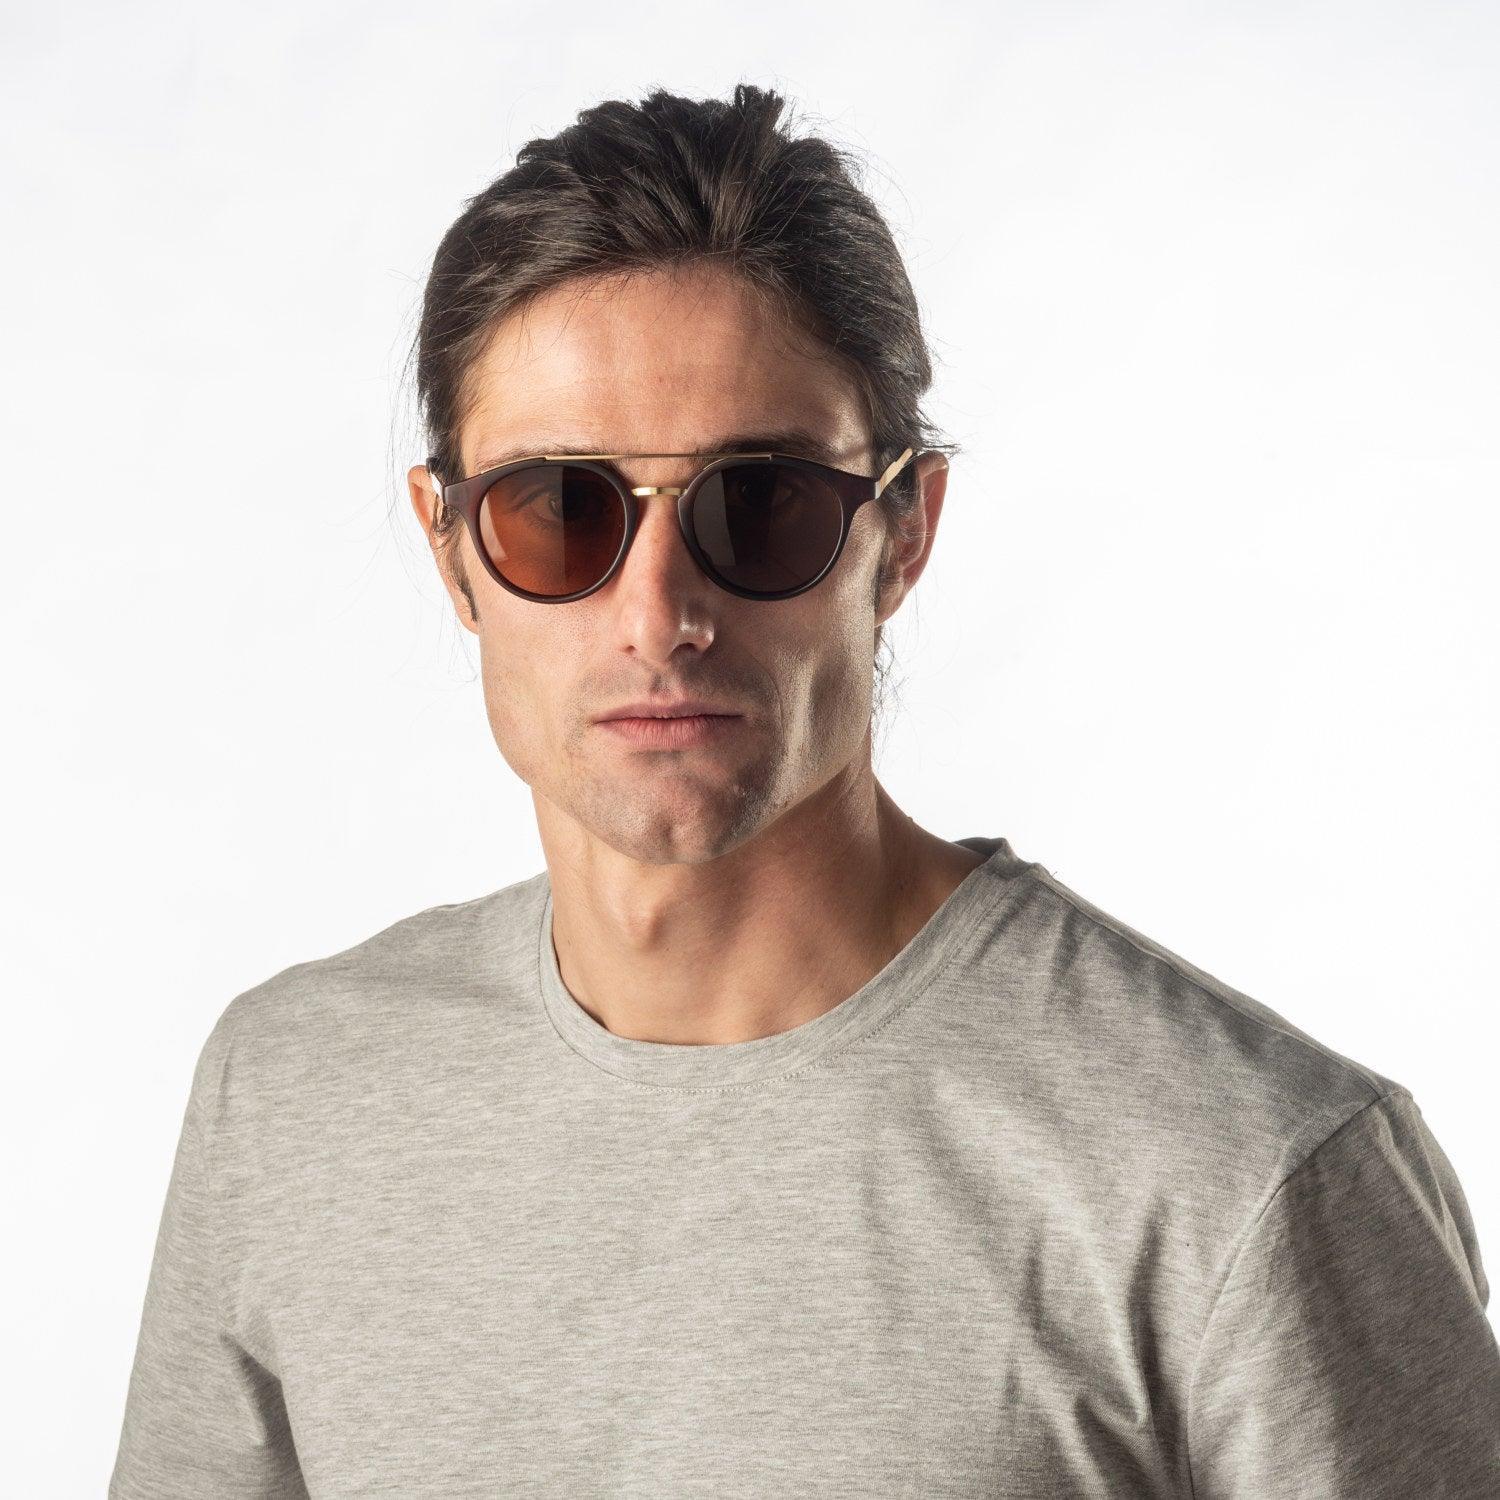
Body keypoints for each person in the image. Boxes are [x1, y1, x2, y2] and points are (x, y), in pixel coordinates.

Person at [110, 83, 1498, 1498]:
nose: (660, 615)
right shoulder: (288, 1099)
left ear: (903, 534)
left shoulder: (1246, 1171)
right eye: (560, 510)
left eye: (760, 503)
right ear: (451, 548)